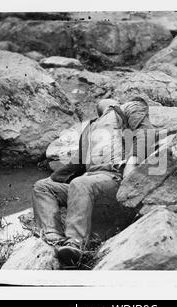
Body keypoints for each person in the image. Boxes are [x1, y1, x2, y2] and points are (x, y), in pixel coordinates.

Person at [32, 97, 155, 266]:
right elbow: (76, 163)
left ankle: (75, 244)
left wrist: (132, 163)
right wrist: (52, 179)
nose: (103, 101)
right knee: (42, 187)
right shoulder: (92, 126)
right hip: (91, 183)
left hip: (115, 178)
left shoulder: (128, 109)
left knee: (80, 184)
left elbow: (145, 133)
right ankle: (54, 238)